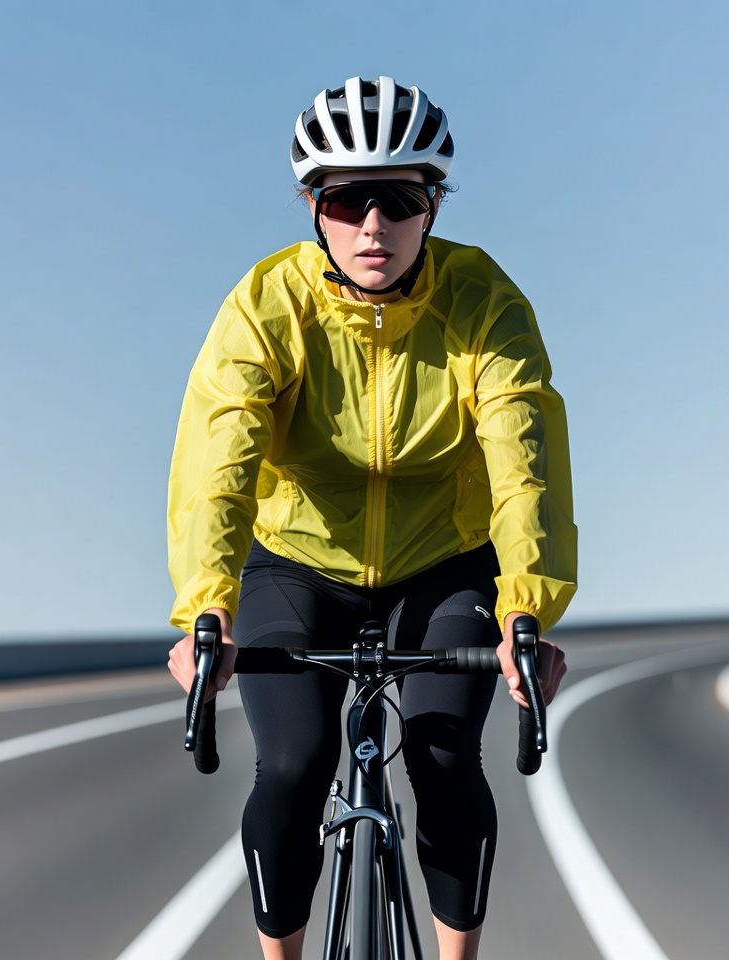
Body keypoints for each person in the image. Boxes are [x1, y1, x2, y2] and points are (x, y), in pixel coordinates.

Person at [167, 76, 577, 960]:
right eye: (348, 199)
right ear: (314, 206)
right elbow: (220, 460)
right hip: (298, 564)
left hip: (445, 561)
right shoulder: (266, 306)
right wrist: (208, 608)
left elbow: (524, 464)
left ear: (433, 204)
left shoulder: (486, 304)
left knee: (441, 760)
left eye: (398, 199)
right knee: (294, 764)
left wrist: (525, 610)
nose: (373, 227)